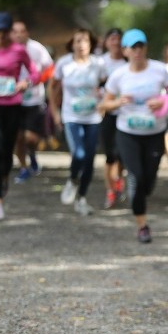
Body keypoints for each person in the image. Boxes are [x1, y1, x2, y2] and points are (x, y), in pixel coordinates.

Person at [100, 29, 168, 243]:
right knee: (138, 176)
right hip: (128, 134)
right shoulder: (118, 75)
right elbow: (103, 104)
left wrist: (163, 101)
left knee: (148, 181)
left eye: (141, 46)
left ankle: (139, 187)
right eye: (133, 47)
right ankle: (142, 226)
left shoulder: (160, 70)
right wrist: (118, 102)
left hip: (154, 132)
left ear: (146, 48)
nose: (137, 51)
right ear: (125, 50)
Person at [49, 29, 107, 216]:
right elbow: (53, 87)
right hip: (71, 116)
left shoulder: (98, 64)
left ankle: (82, 198)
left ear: (91, 44)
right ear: (72, 44)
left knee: (90, 159)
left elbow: (107, 85)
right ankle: (73, 179)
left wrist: (103, 99)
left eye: (85, 41)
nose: (81, 45)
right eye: (78, 41)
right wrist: (55, 113)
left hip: (92, 117)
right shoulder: (64, 63)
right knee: (79, 154)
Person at [0, 11, 38, 222]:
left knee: (8, 148)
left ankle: (4, 176)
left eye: (4, 31)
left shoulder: (19, 50)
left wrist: (25, 83)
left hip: (12, 105)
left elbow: (35, 73)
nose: (1, 34)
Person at [11, 20, 54, 183]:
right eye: (15, 31)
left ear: (27, 32)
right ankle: (23, 167)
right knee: (18, 138)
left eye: (22, 31)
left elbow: (49, 68)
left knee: (30, 138)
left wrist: (36, 81)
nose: (19, 34)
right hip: (13, 101)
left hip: (34, 99)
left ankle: (32, 154)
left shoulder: (36, 48)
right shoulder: (5, 50)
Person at [99, 28, 128, 208]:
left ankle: (118, 179)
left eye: (119, 39)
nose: (115, 43)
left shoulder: (129, 61)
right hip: (107, 114)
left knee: (122, 155)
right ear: (106, 42)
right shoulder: (100, 62)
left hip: (126, 115)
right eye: (112, 39)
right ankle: (110, 189)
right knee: (110, 156)